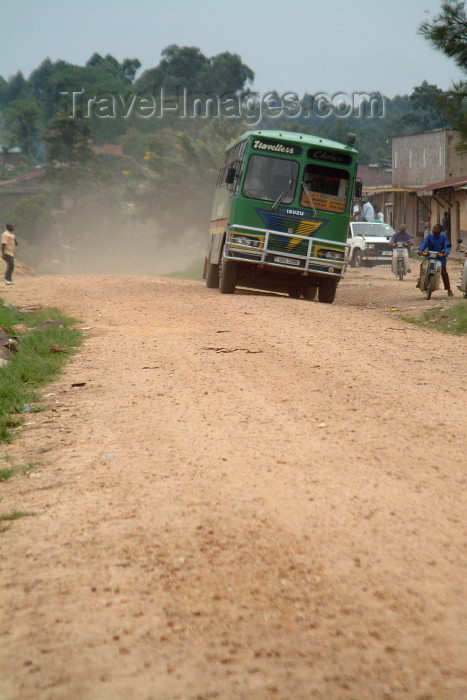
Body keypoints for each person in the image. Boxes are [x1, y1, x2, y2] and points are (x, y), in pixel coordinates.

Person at [417, 223, 453, 296]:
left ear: (439, 230)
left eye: (435, 228)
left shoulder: (443, 237)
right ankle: (420, 281)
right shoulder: (429, 237)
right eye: (433, 228)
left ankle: (448, 289)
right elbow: (424, 243)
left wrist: (446, 253)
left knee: (444, 272)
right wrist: (420, 250)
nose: (433, 229)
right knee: (422, 266)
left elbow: (447, 245)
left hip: (440, 257)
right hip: (429, 256)